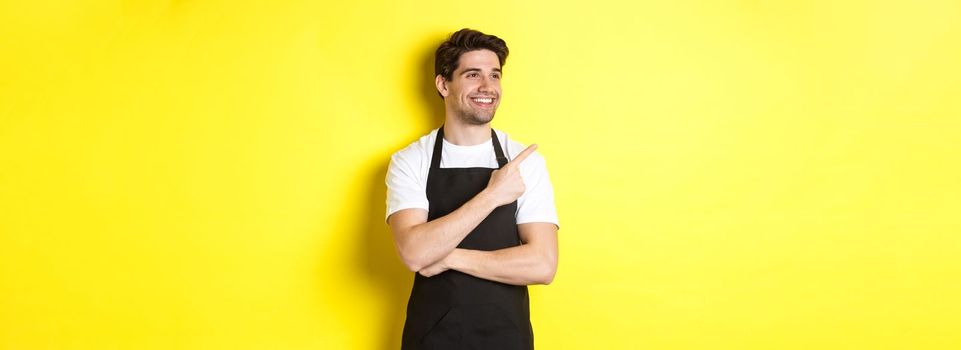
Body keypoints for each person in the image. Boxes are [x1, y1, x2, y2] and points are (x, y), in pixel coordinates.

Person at [385, 28, 559, 350]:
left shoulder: (524, 161)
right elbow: (413, 254)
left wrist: (450, 257)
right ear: (443, 84)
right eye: (473, 75)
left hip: (508, 338)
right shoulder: (411, 160)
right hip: (431, 339)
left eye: (495, 75)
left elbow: (542, 264)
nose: (487, 87)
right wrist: (492, 196)